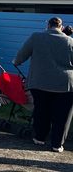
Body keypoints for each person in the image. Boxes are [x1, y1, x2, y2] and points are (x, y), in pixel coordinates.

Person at [14, 17, 73, 153]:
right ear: (61, 27)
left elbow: (22, 55)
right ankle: (57, 145)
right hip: (65, 85)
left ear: (47, 25)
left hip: (40, 83)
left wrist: (16, 62)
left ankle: (40, 138)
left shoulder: (36, 37)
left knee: (41, 110)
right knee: (62, 116)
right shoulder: (70, 41)